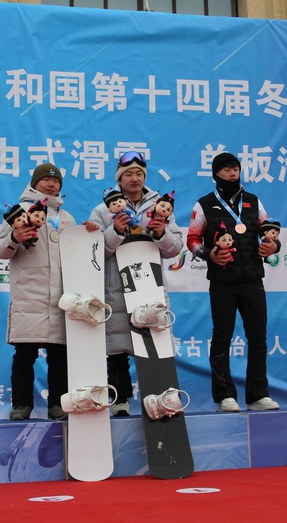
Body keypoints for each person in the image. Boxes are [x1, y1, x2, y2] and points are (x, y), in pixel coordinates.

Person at [87, 151, 184, 416]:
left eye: (139, 174)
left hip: (150, 285)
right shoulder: (102, 209)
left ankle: (160, 400)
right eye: (128, 174)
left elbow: (175, 248)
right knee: (117, 345)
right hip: (116, 287)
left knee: (154, 343)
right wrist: (115, 231)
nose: (134, 178)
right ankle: (121, 400)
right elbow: (94, 253)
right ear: (119, 178)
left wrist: (162, 233)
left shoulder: (161, 206)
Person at [186, 152, 281, 412]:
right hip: (222, 282)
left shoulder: (253, 201)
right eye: (226, 169)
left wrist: (274, 246)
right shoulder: (204, 204)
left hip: (252, 280)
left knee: (258, 338)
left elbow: (269, 231)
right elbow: (192, 240)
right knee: (222, 337)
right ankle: (224, 396)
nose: (232, 173)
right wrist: (209, 255)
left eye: (235, 168)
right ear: (216, 173)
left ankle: (258, 395)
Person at [0, 163, 76, 421]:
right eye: (46, 180)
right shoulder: (18, 212)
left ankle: (58, 404)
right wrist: (15, 238)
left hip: (61, 296)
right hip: (29, 294)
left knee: (59, 356)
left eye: (56, 181)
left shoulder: (67, 218)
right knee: (25, 355)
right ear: (34, 182)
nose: (51, 184)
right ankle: (21, 405)